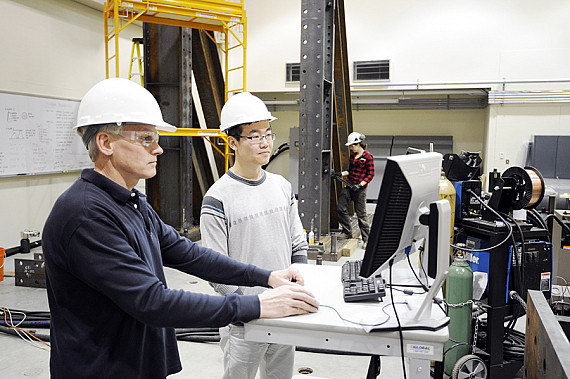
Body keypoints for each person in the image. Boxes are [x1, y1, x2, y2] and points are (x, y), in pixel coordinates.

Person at [42, 78, 319, 379]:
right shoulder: (86, 215)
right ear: (106, 143)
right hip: (102, 368)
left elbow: (189, 255)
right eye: (146, 138)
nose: (158, 149)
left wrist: (266, 277)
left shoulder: (131, 202)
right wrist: (253, 305)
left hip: (135, 361)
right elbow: (152, 301)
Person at [200, 92, 308, 379]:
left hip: (285, 309)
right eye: (254, 135)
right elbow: (214, 266)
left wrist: (296, 290)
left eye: (269, 134)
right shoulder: (218, 198)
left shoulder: (281, 186)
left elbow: (297, 242)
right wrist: (242, 308)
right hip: (245, 317)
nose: (265, 142)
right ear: (233, 142)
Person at [337, 131, 375, 248]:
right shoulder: (353, 156)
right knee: (341, 208)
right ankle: (347, 231)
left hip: (360, 190)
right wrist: (340, 173)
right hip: (349, 186)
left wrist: (361, 184)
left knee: (361, 215)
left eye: (352, 146)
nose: (351, 148)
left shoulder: (368, 157)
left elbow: (371, 174)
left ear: (358, 144)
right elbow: (351, 171)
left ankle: (366, 239)